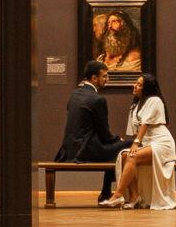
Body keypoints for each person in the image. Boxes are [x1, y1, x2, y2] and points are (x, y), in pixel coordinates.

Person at [54, 60, 130, 204]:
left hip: (68, 149)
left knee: (114, 149)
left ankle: (106, 192)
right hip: (85, 150)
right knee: (128, 145)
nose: (107, 79)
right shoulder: (98, 99)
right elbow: (105, 135)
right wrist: (118, 139)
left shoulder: (75, 94)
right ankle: (110, 192)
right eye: (104, 76)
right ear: (94, 78)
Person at [101, 73, 176, 210]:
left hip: (161, 142)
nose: (135, 86)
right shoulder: (136, 104)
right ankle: (134, 196)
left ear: (147, 88)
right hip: (148, 143)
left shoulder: (154, 100)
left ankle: (117, 195)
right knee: (125, 156)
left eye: (139, 84)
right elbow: (136, 129)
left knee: (132, 156)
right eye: (136, 83)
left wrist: (136, 143)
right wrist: (135, 142)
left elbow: (145, 124)